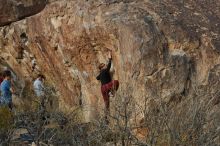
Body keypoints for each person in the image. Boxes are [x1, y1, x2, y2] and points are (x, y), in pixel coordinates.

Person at [96, 51, 119, 115]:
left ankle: (106, 116)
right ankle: (111, 92)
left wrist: (100, 74)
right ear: (102, 68)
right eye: (104, 66)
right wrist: (110, 59)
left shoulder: (101, 73)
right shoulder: (104, 70)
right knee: (116, 82)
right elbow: (108, 67)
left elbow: (97, 78)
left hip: (102, 88)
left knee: (106, 102)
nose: (105, 66)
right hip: (107, 86)